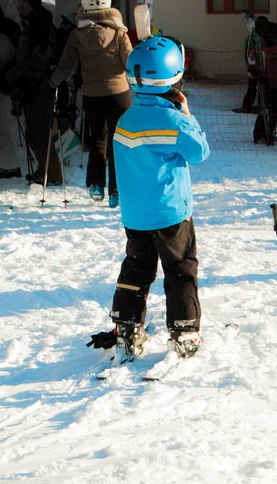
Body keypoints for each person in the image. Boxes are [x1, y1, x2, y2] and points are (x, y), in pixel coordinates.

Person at [88, 36, 210, 361]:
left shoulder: (126, 121)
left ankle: (127, 326)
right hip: (171, 215)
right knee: (180, 269)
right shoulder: (174, 122)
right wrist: (186, 114)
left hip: (136, 217)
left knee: (137, 268)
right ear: (175, 79)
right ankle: (184, 332)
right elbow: (199, 152)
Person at [50, 0, 132, 208]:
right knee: (118, 142)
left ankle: (96, 185)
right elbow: (129, 63)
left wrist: (52, 83)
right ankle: (116, 191)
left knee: (98, 139)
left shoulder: (77, 34)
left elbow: (65, 65)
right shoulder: (119, 33)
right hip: (118, 94)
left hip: (92, 96)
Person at [15, 0, 62, 185]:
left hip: (40, 87)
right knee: (35, 131)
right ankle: (44, 170)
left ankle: (52, 174)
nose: (18, 6)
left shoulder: (39, 24)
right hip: (36, 85)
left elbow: (40, 56)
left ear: (29, 4)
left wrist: (28, 80)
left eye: (21, 2)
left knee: (40, 131)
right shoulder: (36, 23)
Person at [252, 22, 277, 145]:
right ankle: (258, 135)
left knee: (275, 110)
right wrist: (257, 75)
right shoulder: (259, 47)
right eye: (274, 36)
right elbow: (252, 63)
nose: (276, 38)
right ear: (267, 35)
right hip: (264, 83)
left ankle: (269, 133)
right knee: (264, 109)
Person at [237, 15, 268, 114]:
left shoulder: (264, 37)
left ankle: (262, 106)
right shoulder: (252, 38)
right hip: (254, 67)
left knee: (263, 88)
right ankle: (246, 108)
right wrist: (251, 68)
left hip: (263, 66)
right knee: (252, 88)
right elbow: (249, 54)